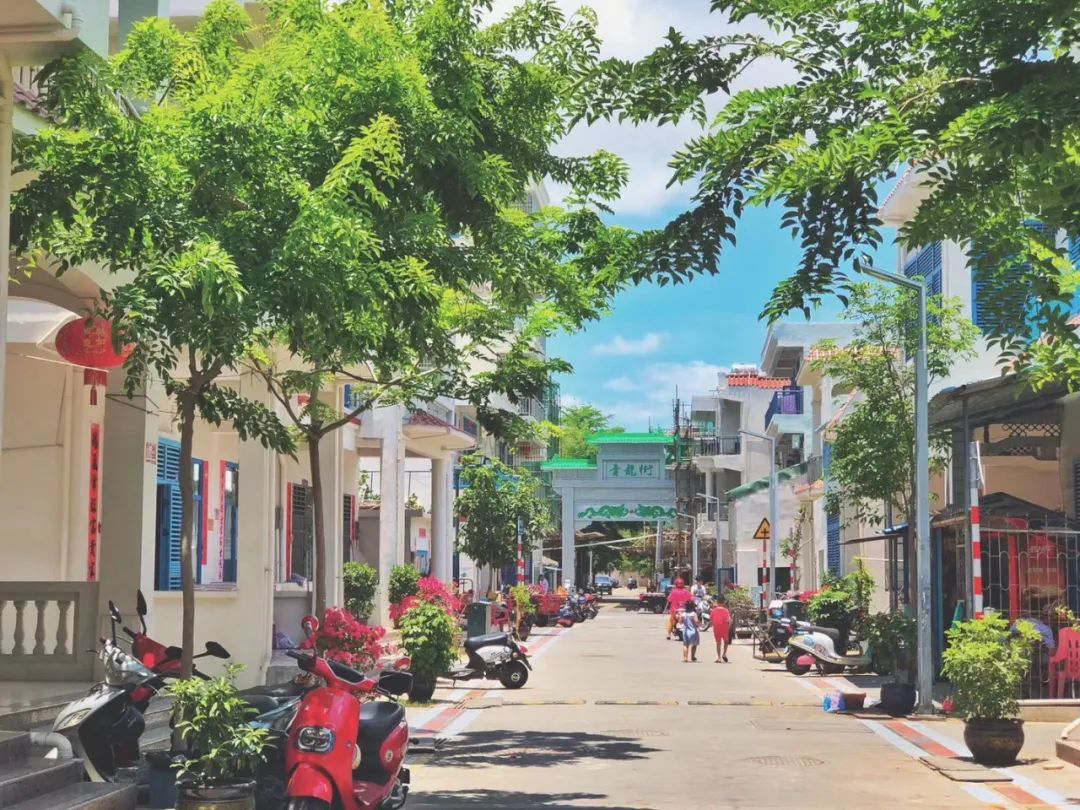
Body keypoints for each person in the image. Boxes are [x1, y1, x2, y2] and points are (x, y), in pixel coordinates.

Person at [711, 596, 732, 662]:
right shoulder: (726, 610)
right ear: (724, 602)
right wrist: (728, 627)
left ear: (717, 602)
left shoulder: (713, 610)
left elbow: (711, 619)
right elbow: (729, 620)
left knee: (718, 643)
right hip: (724, 628)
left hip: (716, 628)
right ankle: (724, 654)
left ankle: (719, 658)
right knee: (726, 641)